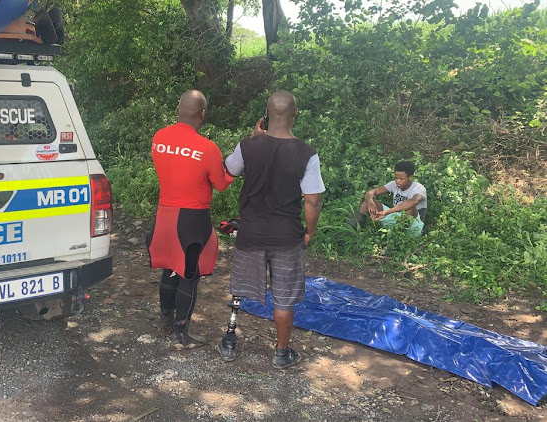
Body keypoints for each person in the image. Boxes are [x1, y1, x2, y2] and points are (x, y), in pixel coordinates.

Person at [216, 90, 325, 369]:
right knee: (284, 297)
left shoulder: (247, 146)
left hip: (251, 235)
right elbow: (312, 200)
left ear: (265, 115)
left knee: (241, 288)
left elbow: (229, 169)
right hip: (287, 237)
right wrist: (309, 232)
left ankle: (229, 343)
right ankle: (281, 352)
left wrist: (254, 138)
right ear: (295, 114)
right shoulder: (307, 154)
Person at [146, 90, 234, 350]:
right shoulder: (208, 148)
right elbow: (221, 184)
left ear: (177, 108)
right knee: (189, 274)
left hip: (165, 214)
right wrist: (231, 172)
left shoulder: (159, 138)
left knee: (169, 267)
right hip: (193, 218)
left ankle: (164, 323)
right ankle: (181, 334)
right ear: (203, 115)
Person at [347, 161, 427, 236]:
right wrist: (370, 201)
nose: (398, 181)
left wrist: (387, 212)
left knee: (410, 207)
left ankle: (399, 237)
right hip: (395, 216)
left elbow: (414, 202)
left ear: (410, 177)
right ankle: (351, 231)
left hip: (413, 224)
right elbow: (372, 192)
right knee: (366, 203)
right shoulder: (394, 185)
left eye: (401, 179)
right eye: (396, 178)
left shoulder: (418, 188)